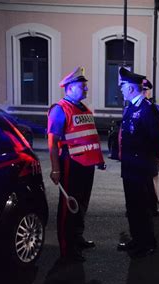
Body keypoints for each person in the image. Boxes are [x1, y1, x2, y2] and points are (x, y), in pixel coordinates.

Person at [47, 66, 106, 262]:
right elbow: (52, 143)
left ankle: (77, 237)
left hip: (86, 165)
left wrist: (99, 159)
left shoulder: (84, 109)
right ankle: (67, 248)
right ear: (70, 88)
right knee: (68, 207)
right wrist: (55, 169)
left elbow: (90, 136)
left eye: (86, 86)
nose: (86, 89)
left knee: (81, 204)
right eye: (83, 86)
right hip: (70, 164)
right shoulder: (60, 109)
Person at [117, 67, 159, 257]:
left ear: (130, 88)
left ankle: (147, 243)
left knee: (143, 207)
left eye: (123, 87)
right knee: (132, 207)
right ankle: (137, 240)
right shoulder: (130, 107)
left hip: (141, 168)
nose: (120, 90)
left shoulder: (148, 109)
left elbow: (157, 139)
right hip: (129, 167)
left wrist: (147, 161)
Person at [142, 78, 159, 217]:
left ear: (149, 92)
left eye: (146, 90)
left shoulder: (155, 109)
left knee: (153, 178)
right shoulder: (131, 107)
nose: (144, 92)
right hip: (139, 151)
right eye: (143, 89)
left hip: (151, 151)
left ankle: (155, 205)